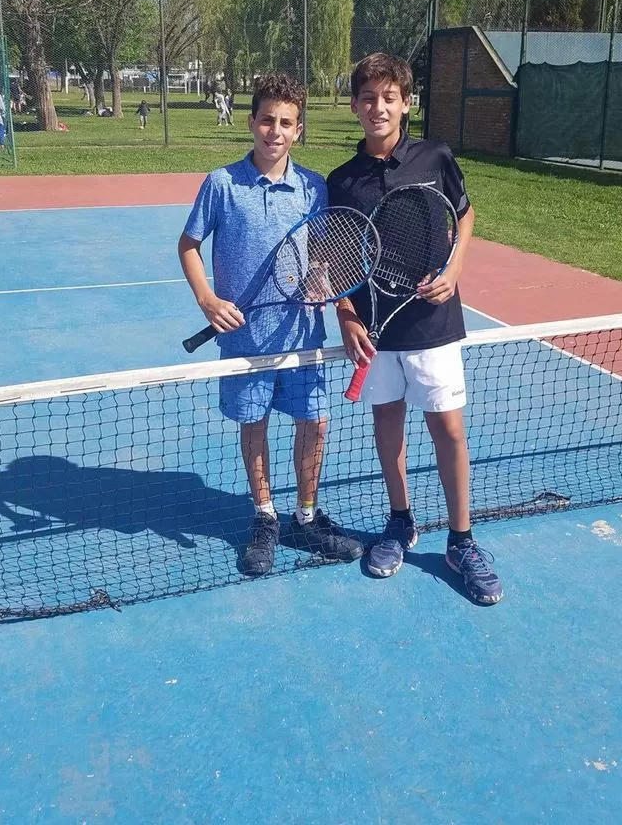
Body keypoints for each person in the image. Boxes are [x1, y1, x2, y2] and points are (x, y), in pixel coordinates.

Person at [327, 52, 503, 606]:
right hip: (376, 333)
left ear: (406, 102)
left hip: (434, 325)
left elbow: (465, 214)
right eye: (367, 97)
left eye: (389, 97)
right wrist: (349, 317)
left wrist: (454, 271)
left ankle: (461, 540)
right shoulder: (342, 180)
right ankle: (400, 522)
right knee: (389, 430)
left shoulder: (435, 156)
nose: (378, 107)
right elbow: (336, 261)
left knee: (448, 430)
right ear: (355, 104)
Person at [178, 71, 363, 576]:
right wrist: (207, 300)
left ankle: (306, 516)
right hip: (245, 340)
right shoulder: (221, 184)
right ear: (251, 122)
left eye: (286, 123)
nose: (274, 131)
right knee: (253, 424)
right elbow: (188, 245)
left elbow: (323, 251)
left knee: (315, 422)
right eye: (266, 120)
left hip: (304, 336)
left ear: (298, 130)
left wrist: (323, 281)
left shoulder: (314, 188)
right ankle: (264, 516)